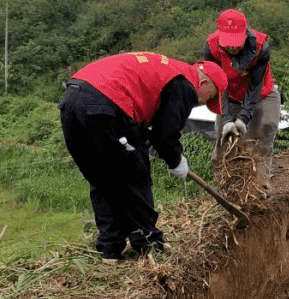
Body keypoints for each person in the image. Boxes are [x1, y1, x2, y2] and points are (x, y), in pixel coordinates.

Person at [59, 52, 228, 263]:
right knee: (134, 176)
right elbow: (164, 135)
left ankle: (110, 252)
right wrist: (176, 160)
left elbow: (151, 129)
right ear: (204, 82)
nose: (204, 103)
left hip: (71, 101)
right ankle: (148, 246)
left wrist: (166, 152)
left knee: (102, 179)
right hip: (105, 104)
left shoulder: (168, 71)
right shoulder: (185, 84)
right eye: (210, 96)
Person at [203, 8, 281, 188]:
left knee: (266, 128)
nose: (232, 47)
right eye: (228, 43)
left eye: (236, 42)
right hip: (228, 95)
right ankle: (225, 188)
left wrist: (243, 119)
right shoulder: (211, 47)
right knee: (225, 141)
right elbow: (217, 84)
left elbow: (255, 87)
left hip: (262, 94)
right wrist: (229, 119)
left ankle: (260, 186)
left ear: (245, 33)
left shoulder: (261, 47)